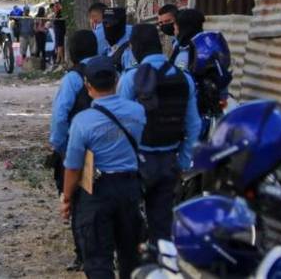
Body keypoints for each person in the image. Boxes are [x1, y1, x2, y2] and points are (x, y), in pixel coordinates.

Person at [60, 56, 146, 279]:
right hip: (130, 188)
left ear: (88, 85)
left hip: (96, 191)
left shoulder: (83, 121)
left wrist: (68, 198)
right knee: (130, 253)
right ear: (117, 81)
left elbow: (73, 166)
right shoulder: (137, 112)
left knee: (98, 257)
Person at [117, 24, 201, 245]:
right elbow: (194, 125)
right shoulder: (184, 78)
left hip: (137, 163)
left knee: (128, 226)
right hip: (169, 161)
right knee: (162, 228)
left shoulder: (130, 79)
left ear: (134, 48)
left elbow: (120, 126)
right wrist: (182, 160)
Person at [48, 30, 99, 272]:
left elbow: (60, 117)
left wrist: (60, 148)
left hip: (78, 151)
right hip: (108, 150)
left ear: (72, 51)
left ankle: (83, 255)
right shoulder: (111, 72)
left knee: (77, 203)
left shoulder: (73, 78)